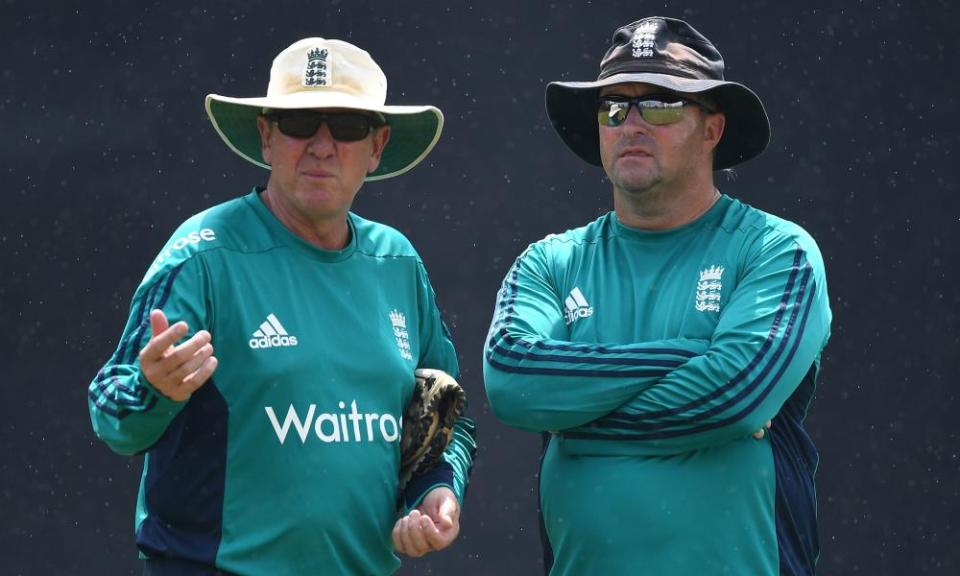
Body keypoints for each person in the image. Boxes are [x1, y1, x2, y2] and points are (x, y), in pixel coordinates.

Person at [88, 37, 476, 575]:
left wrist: (435, 493)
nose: (321, 145)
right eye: (299, 123)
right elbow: (111, 414)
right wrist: (152, 390)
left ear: (378, 144)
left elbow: (447, 418)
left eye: (345, 125)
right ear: (266, 136)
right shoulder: (203, 254)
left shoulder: (398, 261)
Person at [483, 17, 832, 576]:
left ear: (712, 130)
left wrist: (571, 418)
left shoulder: (777, 249)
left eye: (662, 105)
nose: (632, 124)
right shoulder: (550, 261)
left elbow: (734, 398)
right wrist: (692, 353)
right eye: (615, 108)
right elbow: (510, 380)